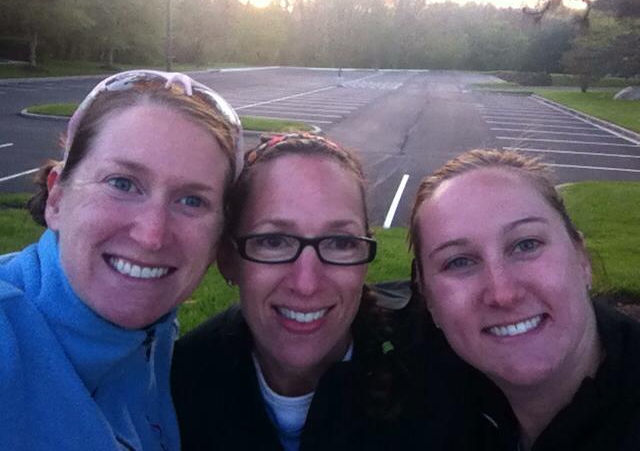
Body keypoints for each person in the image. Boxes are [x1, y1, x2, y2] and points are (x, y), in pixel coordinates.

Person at [0, 70, 243, 451]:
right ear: (57, 198)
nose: (152, 235)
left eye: (192, 200)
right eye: (122, 183)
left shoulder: (152, 335)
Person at [171, 132, 411, 451]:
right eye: (273, 241)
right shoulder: (176, 388)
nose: (306, 284)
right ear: (229, 260)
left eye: (340, 243)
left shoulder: (433, 376)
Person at [408, 148, 640, 450]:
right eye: (459, 262)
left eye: (526, 244)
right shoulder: (425, 398)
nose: (503, 295)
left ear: (581, 259)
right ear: (429, 300)